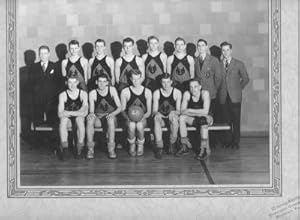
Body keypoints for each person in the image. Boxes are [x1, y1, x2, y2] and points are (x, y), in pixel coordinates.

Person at [219, 41, 249, 149]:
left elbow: (246, 79)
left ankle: (236, 142)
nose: (225, 52)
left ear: (231, 50)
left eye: (227, 50)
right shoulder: (219, 63)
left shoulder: (239, 63)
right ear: (221, 51)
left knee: (236, 120)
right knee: (226, 120)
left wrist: (237, 89)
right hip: (223, 96)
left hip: (235, 97)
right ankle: (228, 141)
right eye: (223, 50)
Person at [194, 39, 222, 147]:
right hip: (199, 94)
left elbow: (218, 78)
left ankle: (212, 143)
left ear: (206, 47)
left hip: (211, 94)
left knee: (209, 118)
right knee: (201, 117)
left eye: (203, 45)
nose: (201, 47)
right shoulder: (196, 60)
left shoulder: (214, 60)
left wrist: (213, 89)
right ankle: (200, 142)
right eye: (199, 46)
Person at [86, 74, 121, 159]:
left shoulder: (112, 90)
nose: (102, 84)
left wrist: (112, 114)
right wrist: (91, 114)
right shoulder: (92, 93)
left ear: (107, 83)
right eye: (100, 81)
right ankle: (90, 149)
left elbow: (120, 107)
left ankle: (111, 149)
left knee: (110, 120)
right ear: (96, 82)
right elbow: (92, 111)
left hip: (111, 116)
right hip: (99, 117)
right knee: (90, 120)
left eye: (104, 81)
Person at [178, 79, 213, 160]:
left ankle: (203, 149)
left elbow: (205, 111)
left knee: (203, 121)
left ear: (200, 87)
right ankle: (184, 146)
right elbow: (182, 111)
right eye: (191, 87)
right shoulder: (187, 94)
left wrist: (189, 110)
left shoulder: (205, 93)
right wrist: (198, 113)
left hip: (207, 118)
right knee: (181, 118)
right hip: (194, 118)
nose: (193, 89)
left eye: (195, 87)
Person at [120, 69, 152, 156]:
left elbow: (149, 112)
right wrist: (128, 118)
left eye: (138, 79)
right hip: (129, 118)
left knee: (139, 125)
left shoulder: (147, 92)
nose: (136, 81)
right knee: (132, 125)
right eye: (134, 79)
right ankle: (132, 145)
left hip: (143, 117)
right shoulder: (125, 91)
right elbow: (122, 110)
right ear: (130, 79)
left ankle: (140, 145)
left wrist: (141, 118)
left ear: (141, 78)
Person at [58, 72, 88, 160]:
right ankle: (65, 148)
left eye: (74, 82)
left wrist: (68, 112)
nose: (72, 85)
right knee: (63, 120)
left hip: (78, 118)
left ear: (78, 83)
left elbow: (85, 113)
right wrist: (77, 112)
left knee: (79, 120)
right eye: (70, 82)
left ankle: (79, 148)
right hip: (67, 120)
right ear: (66, 83)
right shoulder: (63, 95)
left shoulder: (83, 94)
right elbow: (60, 113)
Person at [152, 73, 182, 159]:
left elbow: (179, 110)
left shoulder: (177, 92)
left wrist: (174, 112)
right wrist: (157, 113)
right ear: (161, 82)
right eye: (164, 82)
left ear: (171, 82)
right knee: (156, 118)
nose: (166, 85)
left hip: (171, 118)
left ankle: (172, 144)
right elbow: (154, 110)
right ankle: (160, 147)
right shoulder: (157, 93)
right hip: (161, 118)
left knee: (174, 118)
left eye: (168, 82)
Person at [30, 45, 60, 126]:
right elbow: (31, 83)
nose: (43, 55)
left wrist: (55, 97)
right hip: (38, 99)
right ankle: (38, 138)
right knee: (38, 122)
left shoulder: (55, 66)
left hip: (51, 99)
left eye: (45, 53)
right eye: (41, 53)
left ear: (49, 54)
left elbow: (58, 82)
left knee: (52, 122)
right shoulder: (33, 67)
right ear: (39, 55)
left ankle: (51, 138)